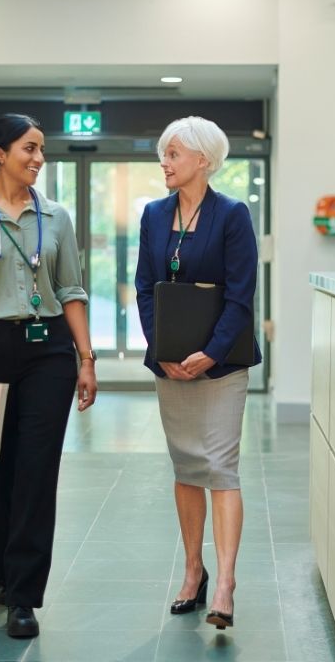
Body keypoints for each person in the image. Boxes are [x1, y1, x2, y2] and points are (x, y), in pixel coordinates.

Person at [0, 113, 97, 639]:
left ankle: (24, 594)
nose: (39, 158)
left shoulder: (55, 217)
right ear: (0, 153)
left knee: (35, 470)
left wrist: (86, 358)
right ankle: (2, 572)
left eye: (42, 150)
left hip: (47, 350)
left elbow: (71, 290)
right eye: (30, 148)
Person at [134, 116, 262, 631]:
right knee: (187, 466)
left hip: (222, 364)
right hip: (170, 363)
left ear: (203, 161)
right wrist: (160, 347)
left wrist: (209, 353)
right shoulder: (153, 214)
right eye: (163, 154)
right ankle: (193, 571)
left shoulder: (232, 215)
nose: (164, 163)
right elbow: (144, 285)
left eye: (174, 154)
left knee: (221, 467)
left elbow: (240, 293)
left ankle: (226, 581)